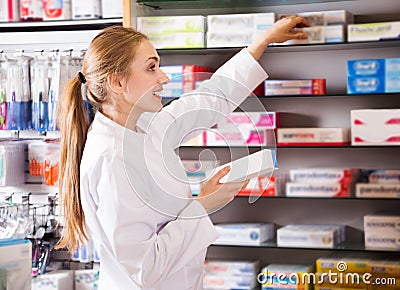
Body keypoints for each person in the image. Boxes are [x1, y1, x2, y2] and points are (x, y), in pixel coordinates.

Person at [56, 15, 309, 290]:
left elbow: (209, 100)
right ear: (117, 83)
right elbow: (145, 268)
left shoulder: (144, 128)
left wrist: (264, 40)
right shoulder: (113, 159)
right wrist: (204, 204)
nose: (163, 78)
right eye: (151, 68)